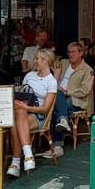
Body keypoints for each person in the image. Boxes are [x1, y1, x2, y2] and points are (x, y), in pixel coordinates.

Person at [8, 48, 57, 176]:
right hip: (23, 112)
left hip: (38, 116)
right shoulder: (29, 76)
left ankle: (16, 163)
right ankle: (28, 155)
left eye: (37, 59)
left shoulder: (51, 81)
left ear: (45, 61)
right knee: (18, 115)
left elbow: (45, 109)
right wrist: (20, 104)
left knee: (16, 123)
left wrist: (27, 108)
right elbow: (22, 96)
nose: (35, 61)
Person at [51, 41, 94, 157]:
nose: (71, 55)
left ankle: (58, 143)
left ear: (81, 53)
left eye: (74, 52)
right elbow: (50, 62)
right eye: (69, 52)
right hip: (59, 96)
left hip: (75, 101)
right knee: (57, 97)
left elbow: (85, 90)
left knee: (57, 105)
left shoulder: (87, 70)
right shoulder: (64, 63)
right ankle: (63, 120)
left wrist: (68, 92)